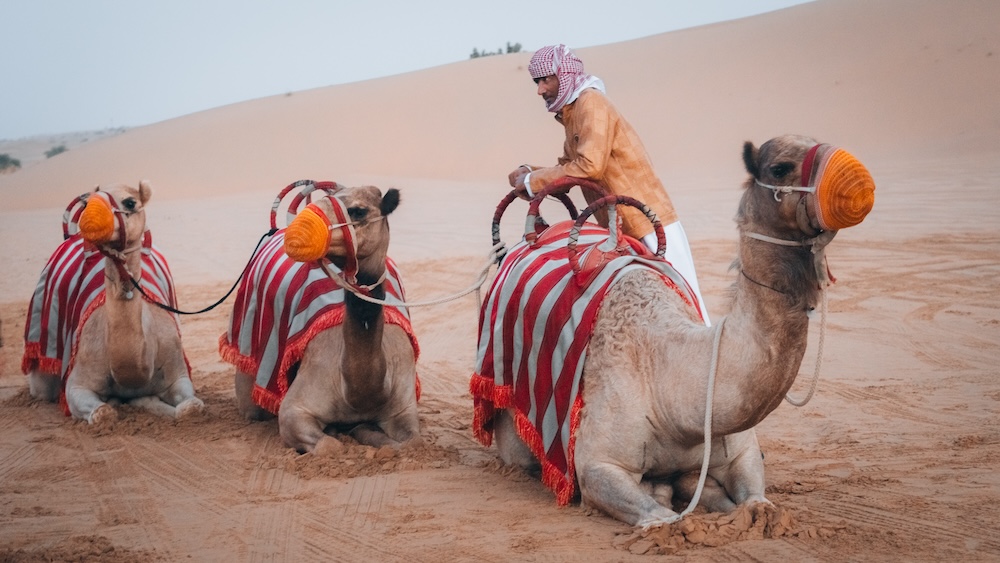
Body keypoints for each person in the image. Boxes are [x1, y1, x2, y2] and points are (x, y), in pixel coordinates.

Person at [508, 44, 710, 324]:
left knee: (684, 308)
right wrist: (529, 173)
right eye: (537, 82)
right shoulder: (572, 112)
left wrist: (532, 181)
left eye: (545, 80)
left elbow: (589, 167)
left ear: (563, 75)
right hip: (618, 229)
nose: (540, 90)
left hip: (646, 222)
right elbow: (570, 168)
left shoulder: (591, 103)